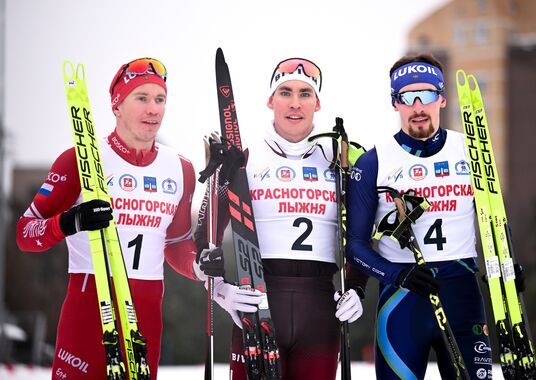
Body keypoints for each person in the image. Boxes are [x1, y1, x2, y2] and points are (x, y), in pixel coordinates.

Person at [15, 57, 222, 380]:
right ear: (117, 106)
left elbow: (176, 242)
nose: (153, 109)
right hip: (87, 314)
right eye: (141, 98)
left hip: (146, 316)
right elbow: (25, 234)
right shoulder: (80, 160)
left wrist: (198, 265)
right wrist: (70, 222)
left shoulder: (180, 168)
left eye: (160, 99)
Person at [204, 58, 367, 380]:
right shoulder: (243, 158)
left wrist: (358, 288)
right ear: (270, 100)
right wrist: (218, 287)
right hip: (258, 303)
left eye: (305, 93)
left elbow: (358, 236)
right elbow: (205, 230)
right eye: (285, 92)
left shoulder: (338, 160)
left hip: (320, 310)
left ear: (317, 102)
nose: (295, 103)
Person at [346, 53, 493, 379]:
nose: (417, 106)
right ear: (394, 103)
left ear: (441, 98)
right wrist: (397, 275)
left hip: (463, 294)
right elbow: (355, 245)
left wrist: (507, 268)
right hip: (402, 300)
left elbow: (494, 217)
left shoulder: (471, 150)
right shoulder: (373, 162)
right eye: (406, 97)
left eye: (426, 95)